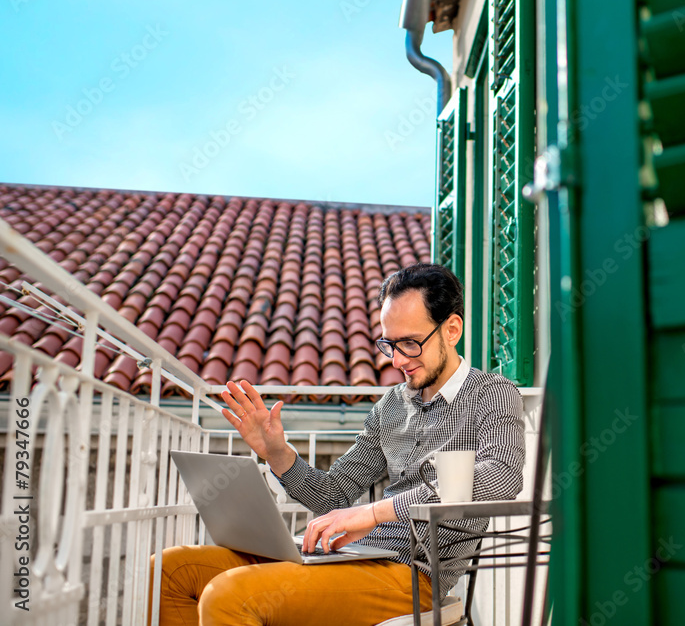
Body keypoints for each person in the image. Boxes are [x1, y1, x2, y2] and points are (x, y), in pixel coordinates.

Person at [151, 263, 526, 625]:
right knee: (169, 572)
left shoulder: (492, 395)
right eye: (389, 345)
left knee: (229, 595)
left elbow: (502, 476)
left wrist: (376, 513)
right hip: (355, 556)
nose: (397, 360)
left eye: (410, 344)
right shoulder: (391, 406)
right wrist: (277, 454)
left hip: (414, 574)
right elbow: (334, 495)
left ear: (452, 330)